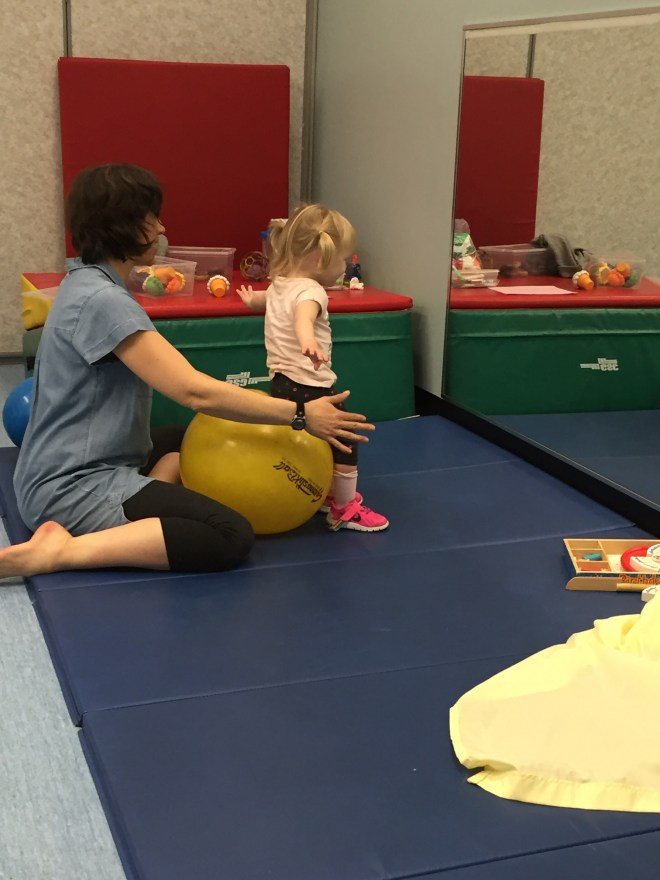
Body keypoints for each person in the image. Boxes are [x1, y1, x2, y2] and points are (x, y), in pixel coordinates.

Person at [0, 165, 374, 580]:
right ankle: (62, 552)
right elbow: (194, 392)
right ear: (123, 225)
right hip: (68, 488)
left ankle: (147, 498)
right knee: (229, 534)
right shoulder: (103, 301)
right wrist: (301, 414)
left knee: (191, 438)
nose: (162, 228)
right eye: (152, 219)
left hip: (57, 466)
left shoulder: (84, 281)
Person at [238, 204, 388, 533]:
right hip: (311, 385)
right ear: (320, 259)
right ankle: (344, 507)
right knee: (345, 439)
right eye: (342, 260)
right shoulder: (312, 291)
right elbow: (302, 318)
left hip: (281, 382)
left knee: (308, 439)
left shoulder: (280, 284)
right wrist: (308, 341)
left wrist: (252, 302)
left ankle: (320, 491)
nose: (345, 266)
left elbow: (270, 302)